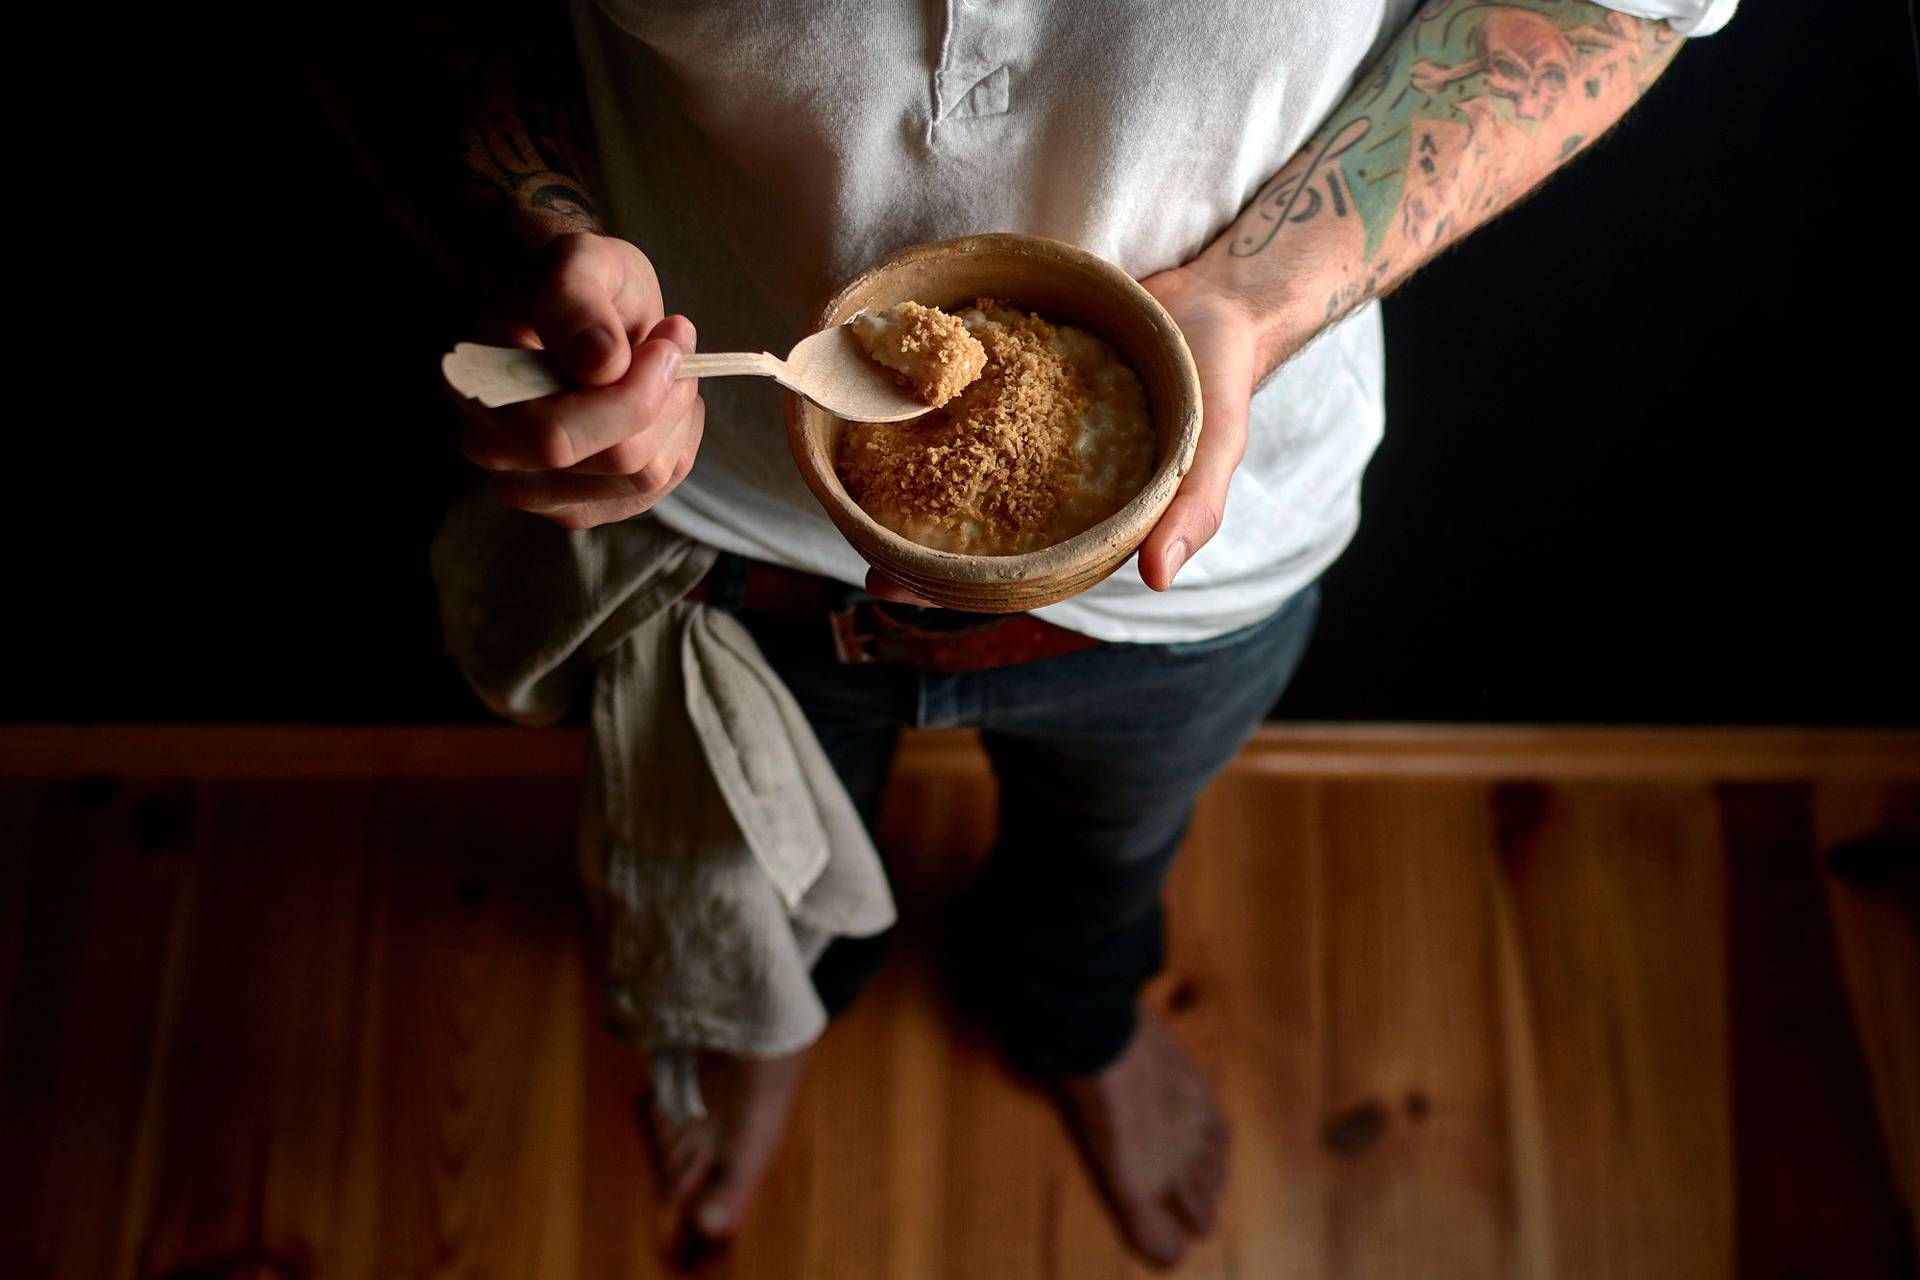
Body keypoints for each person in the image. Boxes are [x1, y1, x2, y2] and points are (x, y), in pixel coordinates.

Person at [331, 0, 1734, 1264]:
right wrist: (538, 243)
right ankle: (788, 1013)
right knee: (759, 861)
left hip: (1202, 553)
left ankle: (1075, 1014)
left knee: (1108, 857)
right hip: (727, 532)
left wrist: (1252, 300)